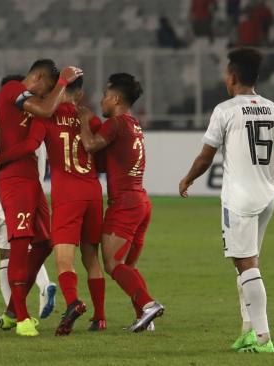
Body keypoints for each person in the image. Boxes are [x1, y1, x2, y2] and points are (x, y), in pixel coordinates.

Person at [178, 48, 274, 353]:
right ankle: (247, 331)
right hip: (267, 196)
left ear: (233, 77)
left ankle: (264, 338)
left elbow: (206, 157)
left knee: (247, 265)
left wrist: (188, 179)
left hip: (239, 199)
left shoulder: (225, 110)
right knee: (244, 265)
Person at [0, 76, 107, 335]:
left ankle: (73, 302)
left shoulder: (48, 117)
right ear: (80, 94)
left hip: (68, 196)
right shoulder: (89, 116)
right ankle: (100, 317)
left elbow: (31, 145)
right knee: (92, 258)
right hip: (93, 193)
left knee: (64, 260)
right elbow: (102, 149)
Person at [78, 73, 164, 333]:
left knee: (113, 265)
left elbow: (91, 145)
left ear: (115, 98)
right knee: (128, 266)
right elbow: (109, 160)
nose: (101, 100)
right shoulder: (133, 124)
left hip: (124, 204)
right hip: (141, 202)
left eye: (104, 96)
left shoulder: (115, 123)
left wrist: (83, 121)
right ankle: (144, 316)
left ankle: (148, 305)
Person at [0, 74, 58, 324]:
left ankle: (14, 310)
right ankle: (32, 294)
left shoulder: (5, 125)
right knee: (37, 243)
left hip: (13, 190)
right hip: (34, 187)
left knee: (10, 249)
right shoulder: (36, 121)